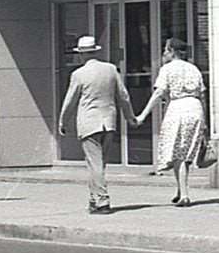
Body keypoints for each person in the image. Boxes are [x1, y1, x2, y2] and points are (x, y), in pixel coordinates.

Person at [59, 35, 129, 214]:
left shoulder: (79, 74)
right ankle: (94, 198)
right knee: (98, 163)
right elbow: (123, 95)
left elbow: (70, 100)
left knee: (94, 163)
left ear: (81, 55)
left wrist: (63, 120)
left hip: (89, 123)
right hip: (108, 122)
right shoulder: (111, 69)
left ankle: (102, 201)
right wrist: (130, 116)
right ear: (96, 51)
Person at [137, 38, 208, 206]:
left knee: (178, 154)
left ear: (171, 51)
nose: (163, 53)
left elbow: (159, 93)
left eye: (165, 50)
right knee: (185, 153)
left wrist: (142, 115)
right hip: (195, 108)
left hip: (178, 109)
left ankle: (184, 194)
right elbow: (202, 94)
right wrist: (205, 122)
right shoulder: (194, 69)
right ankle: (180, 188)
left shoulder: (167, 69)